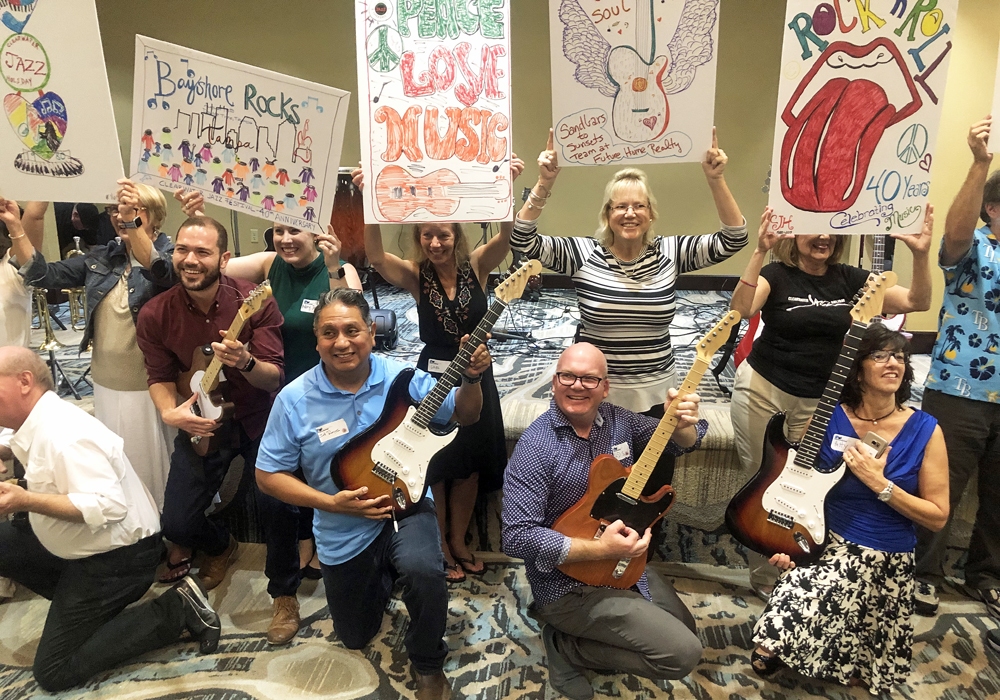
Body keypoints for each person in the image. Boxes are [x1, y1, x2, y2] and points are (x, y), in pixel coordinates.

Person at [255, 288, 492, 700]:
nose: (342, 342)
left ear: (372, 331)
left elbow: (465, 413)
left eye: (352, 330)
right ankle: (383, 576)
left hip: (407, 502)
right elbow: (266, 475)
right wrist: (328, 502)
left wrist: (471, 378)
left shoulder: (401, 379)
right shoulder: (294, 399)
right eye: (330, 333)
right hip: (340, 520)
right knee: (354, 635)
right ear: (316, 341)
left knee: (424, 569)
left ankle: (428, 662)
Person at [729, 204, 932, 598]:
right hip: (764, 390)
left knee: (809, 486)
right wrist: (758, 252)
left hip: (823, 401)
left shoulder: (852, 279)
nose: (823, 238)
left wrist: (921, 255)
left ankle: (799, 571)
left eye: (830, 232)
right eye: (812, 230)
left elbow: (915, 301)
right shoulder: (776, 274)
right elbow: (740, 309)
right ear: (793, 235)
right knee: (764, 480)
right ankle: (765, 577)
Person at [0, 346, 221, 692]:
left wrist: (25, 499)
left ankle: (178, 607)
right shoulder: (38, 420)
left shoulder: (63, 434)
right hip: (87, 547)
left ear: (24, 381)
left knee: (54, 671)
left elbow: (108, 506)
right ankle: (86, 613)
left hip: (120, 558)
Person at [177, 189, 363, 586]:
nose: (286, 239)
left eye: (295, 230)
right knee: (292, 467)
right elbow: (211, 267)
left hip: (329, 388)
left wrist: (333, 265)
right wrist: (199, 216)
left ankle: (327, 535)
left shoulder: (340, 267)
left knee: (326, 463)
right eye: (279, 230)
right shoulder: (268, 263)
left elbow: (352, 322)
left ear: (315, 233)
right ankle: (304, 535)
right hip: (279, 388)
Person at [502, 343, 708, 700]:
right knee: (681, 655)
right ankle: (566, 647)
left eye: (589, 378)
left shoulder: (617, 419)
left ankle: (601, 626)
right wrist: (600, 548)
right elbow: (516, 537)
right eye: (568, 376)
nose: (577, 386)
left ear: (605, 387)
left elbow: (682, 442)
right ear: (554, 382)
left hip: (623, 563)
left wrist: (683, 423)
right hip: (566, 585)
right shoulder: (536, 446)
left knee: (687, 630)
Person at [750, 324, 949, 694]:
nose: (894, 364)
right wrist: (786, 539)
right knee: (775, 638)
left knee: (834, 607)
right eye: (881, 356)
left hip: (885, 548)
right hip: (826, 535)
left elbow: (937, 516)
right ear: (856, 370)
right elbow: (796, 487)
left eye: (901, 357)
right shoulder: (827, 419)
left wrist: (881, 485)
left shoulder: (926, 430)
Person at [354, 156, 523, 583]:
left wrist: (506, 187)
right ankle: (441, 544)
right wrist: (367, 199)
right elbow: (374, 255)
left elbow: (509, 234)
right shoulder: (415, 275)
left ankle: (460, 539)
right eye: (427, 235)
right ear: (419, 237)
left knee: (469, 462)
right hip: (432, 375)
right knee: (438, 460)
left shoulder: (479, 265)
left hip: (476, 374)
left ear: (456, 235)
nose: (435, 243)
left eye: (442, 235)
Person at [511, 128, 747, 416]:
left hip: (657, 389)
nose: (630, 213)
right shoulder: (583, 254)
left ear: (651, 215)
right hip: (594, 390)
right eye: (620, 206)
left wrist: (716, 179)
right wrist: (544, 182)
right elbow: (522, 239)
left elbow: (734, 239)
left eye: (639, 206)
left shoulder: (670, 253)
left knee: (653, 459)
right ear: (608, 215)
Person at [134, 216, 289, 638]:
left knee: (279, 507)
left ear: (223, 259)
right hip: (202, 424)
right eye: (182, 250)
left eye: (202, 252)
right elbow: (159, 377)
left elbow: (273, 377)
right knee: (177, 524)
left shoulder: (253, 302)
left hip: (258, 418)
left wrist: (246, 362)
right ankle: (222, 545)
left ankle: (284, 595)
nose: (189, 260)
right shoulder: (154, 314)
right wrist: (170, 413)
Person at [7, 181, 179, 510]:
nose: (119, 216)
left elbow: (159, 271)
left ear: (154, 216)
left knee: (156, 469)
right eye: (115, 210)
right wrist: (17, 225)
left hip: (150, 386)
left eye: (130, 210)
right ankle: (135, 528)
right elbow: (43, 275)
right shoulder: (102, 257)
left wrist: (132, 224)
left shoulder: (172, 256)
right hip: (106, 382)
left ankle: (169, 534)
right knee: (121, 465)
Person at [914, 117, 1000, 621]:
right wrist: (979, 163)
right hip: (959, 389)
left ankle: (987, 576)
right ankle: (925, 575)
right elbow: (954, 233)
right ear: (994, 209)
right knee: (939, 489)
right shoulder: (976, 248)